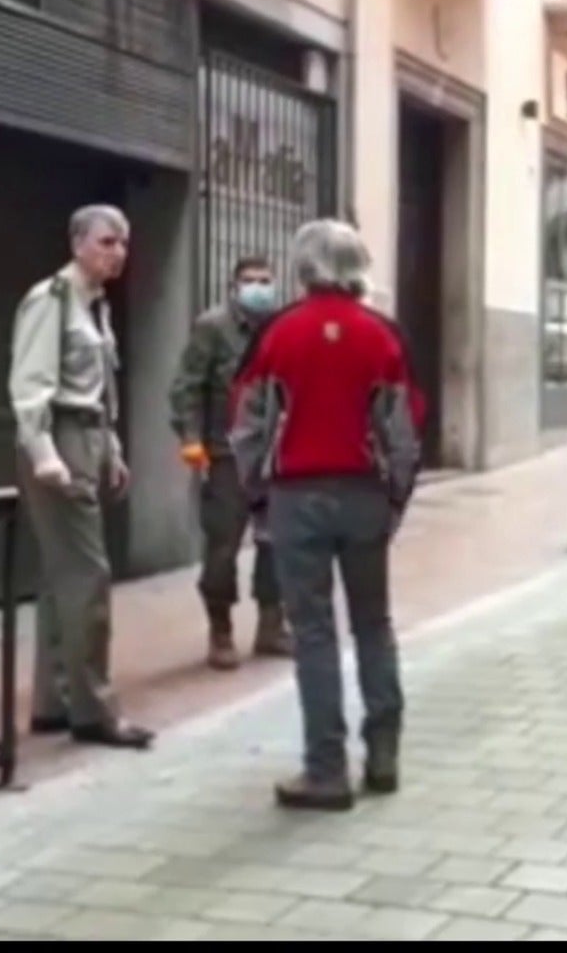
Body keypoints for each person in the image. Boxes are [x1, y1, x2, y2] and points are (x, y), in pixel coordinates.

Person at [229, 219, 426, 810]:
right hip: (364, 495)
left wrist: (257, 494)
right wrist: (396, 497)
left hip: (297, 497)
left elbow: (246, 424)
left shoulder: (278, 333)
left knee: (313, 634)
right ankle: (384, 755)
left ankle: (326, 770)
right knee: (373, 624)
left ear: (303, 266)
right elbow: (406, 428)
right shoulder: (383, 335)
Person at [8, 203, 153, 750]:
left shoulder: (96, 305)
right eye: (106, 242)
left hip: (89, 434)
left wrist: (111, 447)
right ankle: (95, 709)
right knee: (87, 575)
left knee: (61, 576)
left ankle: (55, 701)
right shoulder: (50, 299)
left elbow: (99, 387)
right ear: (77, 244)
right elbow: (30, 382)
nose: (118, 253)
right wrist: (44, 452)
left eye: (123, 243)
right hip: (61, 435)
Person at [169, 255, 292, 670]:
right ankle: (220, 630)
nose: (259, 288)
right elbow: (187, 387)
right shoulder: (213, 327)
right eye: (250, 281)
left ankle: (271, 625)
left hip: (275, 453)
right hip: (227, 453)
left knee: (276, 541)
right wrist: (191, 438)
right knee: (223, 545)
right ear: (234, 287)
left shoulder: (283, 328)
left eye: (266, 281)